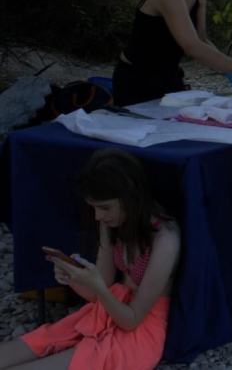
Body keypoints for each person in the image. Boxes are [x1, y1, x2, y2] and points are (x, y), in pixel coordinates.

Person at [0, 149, 180, 370]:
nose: (98, 216)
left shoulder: (165, 239)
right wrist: (74, 278)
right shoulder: (112, 222)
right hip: (109, 309)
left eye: (104, 207)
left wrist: (98, 288)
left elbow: (132, 319)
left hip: (139, 327)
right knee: (34, 343)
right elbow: (97, 294)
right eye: (93, 207)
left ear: (131, 198)